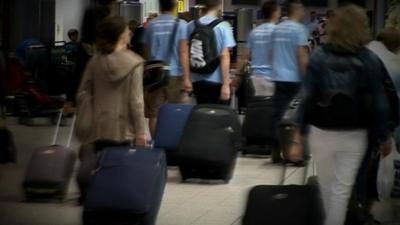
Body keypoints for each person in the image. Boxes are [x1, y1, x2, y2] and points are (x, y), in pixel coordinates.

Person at [294, 5, 395, 225]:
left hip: (321, 132)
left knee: (328, 188)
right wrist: (383, 136)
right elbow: (379, 103)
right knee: (341, 190)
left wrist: (299, 131)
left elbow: (308, 95)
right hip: (355, 134)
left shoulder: (320, 55)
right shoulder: (369, 59)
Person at [76, 16, 146, 148]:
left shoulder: (94, 61)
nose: (130, 33)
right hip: (124, 130)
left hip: (98, 127)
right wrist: (140, 132)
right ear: (121, 35)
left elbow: (82, 92)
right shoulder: (134, 63)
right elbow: (136, 101)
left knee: (101, 166)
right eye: (127, 31)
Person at [142, 0, 191, 136]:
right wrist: (187, 78)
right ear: (174, 6)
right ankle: (172, 142)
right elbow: (183, 52)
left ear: (160, 6)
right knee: (176, 111)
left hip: (155, 75)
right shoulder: (182, 25)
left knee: (154, 113)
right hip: (175, 74)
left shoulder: (151, 25)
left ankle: (157, 144)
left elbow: (146, 52)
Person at [187, 0, 236, 105]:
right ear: (219, 5)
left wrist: (187, 79)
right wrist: (226, 84)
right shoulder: (224, 26)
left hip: (197, 79)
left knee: (202, 114)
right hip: (216, 81)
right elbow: (224, 55)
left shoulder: (191, 25)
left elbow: (186, 53)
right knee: (219, 117)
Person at [232, 0, 281, 97]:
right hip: (273, 79)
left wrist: (237, 76)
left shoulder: (254, 32)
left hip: (256, 79)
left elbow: (244, 57)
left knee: (257, 108)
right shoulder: (279, 32)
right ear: (275, 13)